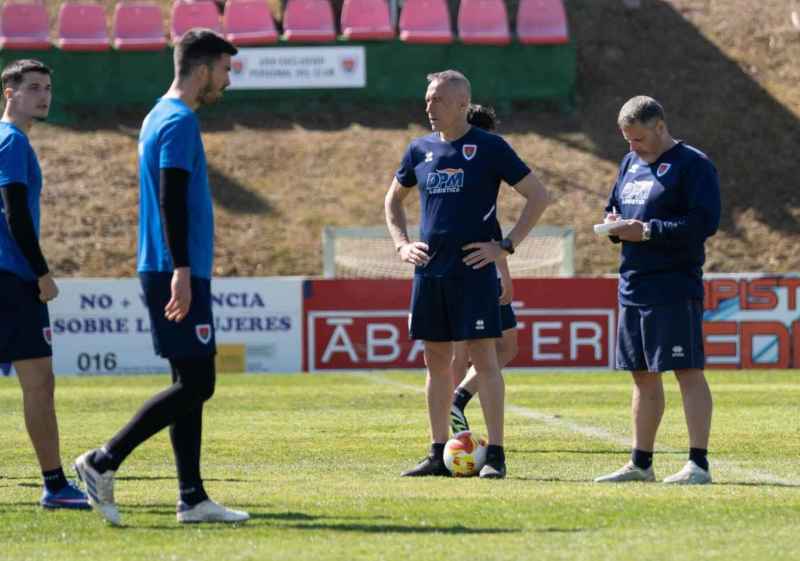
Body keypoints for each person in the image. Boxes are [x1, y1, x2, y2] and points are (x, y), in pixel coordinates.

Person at [74, 29, 249, 525]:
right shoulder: (177, 121)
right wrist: (182, 270)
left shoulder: (158, 115)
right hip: (174, 268)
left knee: (186, 380)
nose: (227, 80)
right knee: (199, 383)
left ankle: (192, 498)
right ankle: (103, 459)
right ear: (201, 69)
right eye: (225, 69)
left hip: (172, 266)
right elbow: (172, 197)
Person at [385, 70, 549, 479]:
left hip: (473, 272)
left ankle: (495, 455)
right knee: (434, 361)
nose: (428, 107)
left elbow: (538, 196)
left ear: (462, 105)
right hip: (430, 273)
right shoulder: (418, 150)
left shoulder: (490, 147)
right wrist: (402, 244)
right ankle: (438, 451)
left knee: (485, 359)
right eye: (426, 99)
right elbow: (392, 201)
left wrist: (505, 245)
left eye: (437, 99)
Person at [594, 95, 720, 485]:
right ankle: (641, 463)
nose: (633, 147)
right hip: (633, 284)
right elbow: (615, 206)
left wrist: (648, 231)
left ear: (660, 127)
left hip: (674, 284)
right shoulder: (630, 163)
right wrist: (613, 223)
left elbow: (705, 222)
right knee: (642, 374)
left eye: (639, 139)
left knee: (687, 370)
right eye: (627, 140)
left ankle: (698, 464)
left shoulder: (693, 165)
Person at [0, 59, 90, 510]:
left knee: (39, 382)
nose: (43, 95)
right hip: (12, 281)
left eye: (48, 87)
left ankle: (55, 483)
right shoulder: (11, 141)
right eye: (33, 87)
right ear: (8, 93)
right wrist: (41, 273)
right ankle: (55, 485)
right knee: (39, 383)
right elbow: (14, 212)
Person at [449, 104, 519, 434]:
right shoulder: (461, 162)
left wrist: (504, 271)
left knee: (505, 346)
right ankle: (452, 407)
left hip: (486, 265)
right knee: (464, 348)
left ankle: (457, 399)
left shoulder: (484, 164)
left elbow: (491, 225)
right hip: (462, 268)